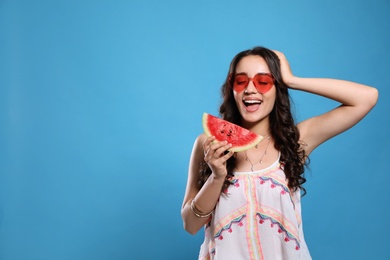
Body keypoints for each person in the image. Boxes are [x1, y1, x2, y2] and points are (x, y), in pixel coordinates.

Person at [181, 46, 378, 260]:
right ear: (232, 88)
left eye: (263, 82)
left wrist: (293, 80)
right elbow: (191, 225)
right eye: (241, 81)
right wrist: (217, 177)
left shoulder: (295, 141)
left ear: (277, 88)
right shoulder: (209, 144)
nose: (250, 89)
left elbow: (366, 97)